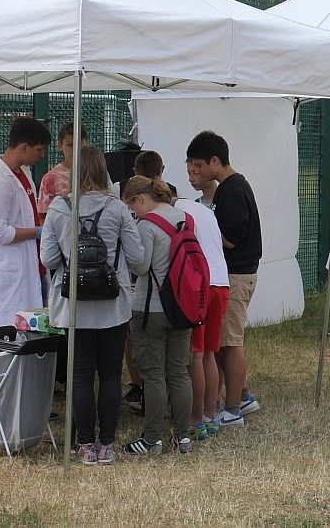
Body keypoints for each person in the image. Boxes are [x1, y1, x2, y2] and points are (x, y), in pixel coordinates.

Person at [40, 145, 143, 465]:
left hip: (73, 306)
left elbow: (48, 258)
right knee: (111, 374)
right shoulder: (118, 208)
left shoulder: (60, 207)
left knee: (81, 375)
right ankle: (107, 444)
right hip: (113, 306)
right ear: (103, 170)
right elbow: (138, 261)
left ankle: (84, 445)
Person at [186, 131, 263, 425]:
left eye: (198, 166)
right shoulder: (228, 187)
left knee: (230, 342)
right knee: (223, 341)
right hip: (235, 273)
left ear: (215, 161)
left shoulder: (232, 190)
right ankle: (242, 396)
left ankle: (232, 409)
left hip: (236, 274)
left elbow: (231, 238)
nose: (196, 173)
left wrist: (206, 231)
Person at [121, 176, 194, 455]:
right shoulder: (184, 218)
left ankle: (152, 440)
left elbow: (140, 267)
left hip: (151, 307)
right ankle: (183, 437)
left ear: (139, 199)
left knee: (152, 374)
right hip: (182, 306)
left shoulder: (147, 225)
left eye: (132, 206)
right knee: (178, 371)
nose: (133, 213)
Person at [0, 117, 51, 327]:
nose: (42, 155)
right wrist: (37, 232)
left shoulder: (23, 172)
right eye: (39, 149)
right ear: (23, 147)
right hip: (12, 272)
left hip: (32, 267)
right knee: (14, 333)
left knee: (35, 331)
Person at [173, 191, 230, 442]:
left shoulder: (177, 214)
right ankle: (210, 415)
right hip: (221, 283)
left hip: (200, 285)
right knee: (209, 353)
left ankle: (195, 420)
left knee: (195, 355)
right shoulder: (205, 211)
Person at [37, 122, 87, 222]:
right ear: (60, 146)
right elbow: (43, 217)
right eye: (70, 145)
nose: (75, 149)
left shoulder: (96, 172)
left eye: (79, 144)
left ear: (87, 144)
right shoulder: (50, 178)